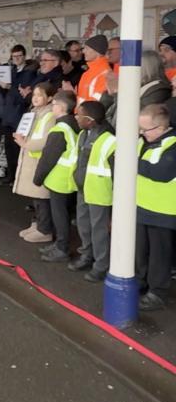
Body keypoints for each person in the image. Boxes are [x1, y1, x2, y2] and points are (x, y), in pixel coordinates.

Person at [68, 101, 115, 282]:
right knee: (84, 225)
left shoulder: (110, 139)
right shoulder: (82, 134)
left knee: (99, 230)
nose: (76, 117)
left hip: (99, 193)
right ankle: (86, 255)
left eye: (79, 115)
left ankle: (101, 265)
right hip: (83, 189)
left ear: (90, 120)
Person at [135, 104, 176, 310]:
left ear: (160, 128)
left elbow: (162, 172)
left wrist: (131, 162)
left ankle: (157, 292)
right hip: (142, 205)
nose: (142, 133)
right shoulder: (145, 141)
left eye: (145, 129)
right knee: (141, 250)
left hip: (163, 211)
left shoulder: (172, 145)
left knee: (160, 254)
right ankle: (141, 282)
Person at [34, 90, 80, 261]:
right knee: (64, 213)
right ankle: (61, 244)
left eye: (53, 104)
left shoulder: (59, 128)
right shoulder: (73, 123)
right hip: (68, 176)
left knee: (59, 214)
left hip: (59, 178)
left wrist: (38, 178)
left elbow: (49, 157)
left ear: (60, 107)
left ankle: (62, 247)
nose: (52, 107)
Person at [14, 82, 56, 243]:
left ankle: (44, 229)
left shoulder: (49, 115)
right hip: (31, 157)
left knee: (41, 196)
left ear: (50, 98)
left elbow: (44, 140)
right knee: (35, 196)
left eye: (40, 95)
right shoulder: (34, 112)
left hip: (38, 159)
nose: (36, 98)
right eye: (35, 94)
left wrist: (25, 143)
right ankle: (37, 224)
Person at [0, 44, 37, 185]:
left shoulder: (30, 72)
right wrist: (4, 88)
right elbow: (7, 94)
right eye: (14, 57)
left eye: (19, 56)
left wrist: (9, 87)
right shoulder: (11, 70)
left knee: (18, 148)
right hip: (9, 114)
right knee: (9, 148)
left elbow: (22, 95)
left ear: (24, 56)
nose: (17, 59)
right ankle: (11, 176)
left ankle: (19, 178)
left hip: (20, 114)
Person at [103, 50, 171, 128]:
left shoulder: (160, 90)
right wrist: (109, 90)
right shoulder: (136, 84)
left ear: (146, 68)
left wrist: (117, 93)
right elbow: (105, 109)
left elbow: (139, 113)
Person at [70, 35, 110, 105]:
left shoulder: (105, 74)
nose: (83, 51)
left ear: (97, 52)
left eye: (87, 48)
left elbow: (96, 104)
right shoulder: (87, 73)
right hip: (81, 114)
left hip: (87, 115)